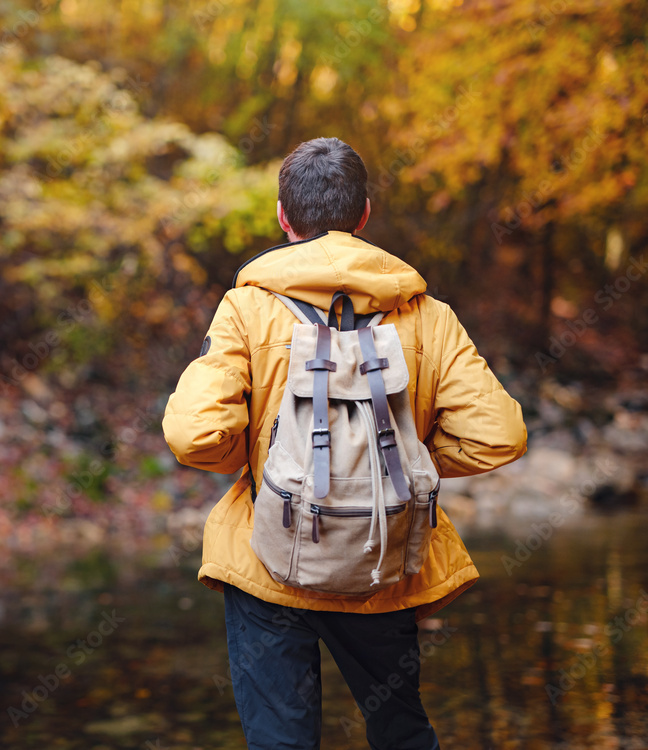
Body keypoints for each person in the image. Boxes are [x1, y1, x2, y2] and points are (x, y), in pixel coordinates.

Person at [161, 137, 527, 749]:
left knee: (282, 742)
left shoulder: (246, 311)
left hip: (267, 562)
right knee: (401, 731)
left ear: (283, 217)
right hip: (383, 559)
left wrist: (264, 463)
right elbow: (502, 435)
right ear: (363, 215)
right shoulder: (426, 315)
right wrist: (400, 462)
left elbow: (192, 432)